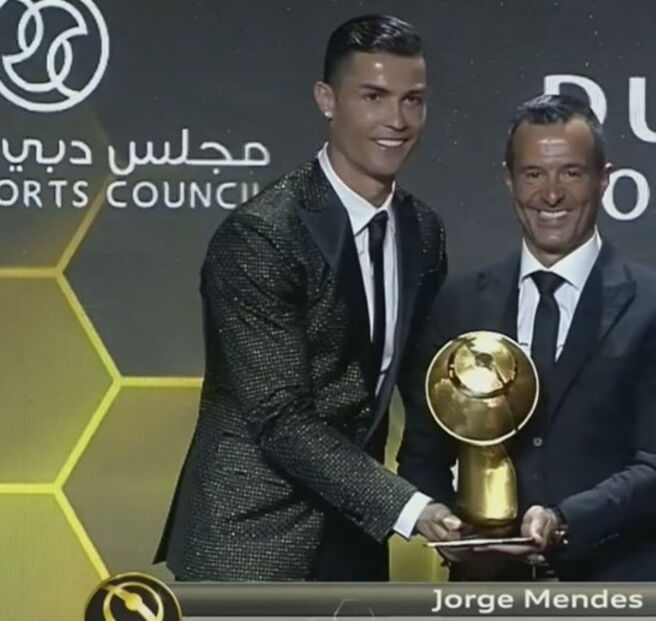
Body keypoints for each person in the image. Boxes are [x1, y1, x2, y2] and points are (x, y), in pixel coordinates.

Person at [154, 14, 463, 581]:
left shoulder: (424, 230)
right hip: (251, 540)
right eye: (373, 96)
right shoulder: (262, 233)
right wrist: (414, 509)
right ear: (327, 99)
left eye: (413, 100)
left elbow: (425, 382)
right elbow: (279, 417)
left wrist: (459, 497)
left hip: (355, 535)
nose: (396, 120)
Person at [398, 93, 656, 581]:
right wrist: (442, 520)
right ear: (509, 180)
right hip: (490, 592)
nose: (551, 194)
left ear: (603, 180)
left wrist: (564, 521)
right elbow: (422, 452)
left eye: (571, 172)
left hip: (623, 587)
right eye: (534, 174)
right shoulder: (456, 304)